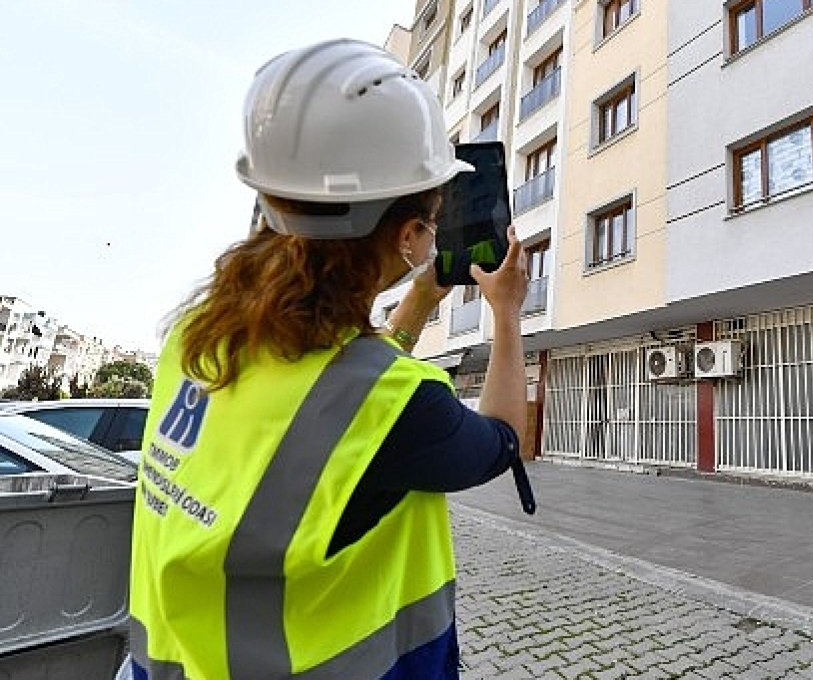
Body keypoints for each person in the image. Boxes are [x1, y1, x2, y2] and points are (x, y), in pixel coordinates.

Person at [123, 39, 529, 680]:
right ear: (409, 238)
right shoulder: (399, 407)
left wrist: (419, 303)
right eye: (431, 215)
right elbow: (505, 439)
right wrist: (506, 311)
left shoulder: (195, 340)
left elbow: (331, 391)